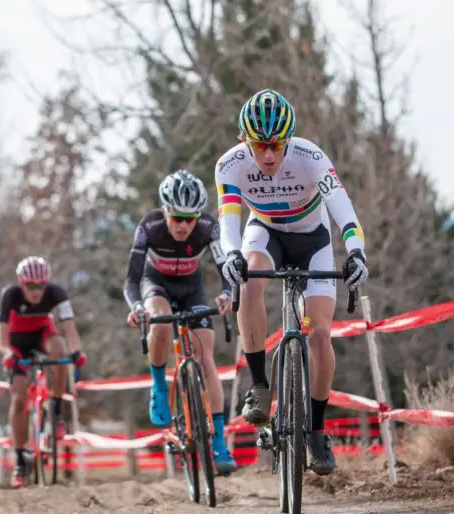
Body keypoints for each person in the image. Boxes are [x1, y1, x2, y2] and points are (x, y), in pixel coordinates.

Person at [215, 89, 369, 476]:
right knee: (249, 280)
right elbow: (228, 220)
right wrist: (232, 254)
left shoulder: (310, 157)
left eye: (276, 145)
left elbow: (343, 211)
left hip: (312, 239)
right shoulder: (229, 166)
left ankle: (317, 429)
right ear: (243, 141)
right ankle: (260, 386)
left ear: (289, 140)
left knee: (319, 333)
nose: (268, 155)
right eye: (259, 146)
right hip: (265, 234)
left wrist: (356, 251)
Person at [124, 169, 237, 474]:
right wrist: (136, 306)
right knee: (159, 321)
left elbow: (225, 268)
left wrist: (228, 293)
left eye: (190, 218)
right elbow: (132, 280)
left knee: (205, 358)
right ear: (165, 211)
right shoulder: (149, 226)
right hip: (155, 283)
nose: (184, 225)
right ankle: (159, 386)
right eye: (177, 218)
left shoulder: (208, 228)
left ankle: (219, 444)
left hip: (191, 287)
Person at [0, 256, 87, 488]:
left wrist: (76, 352)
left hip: (42, 335)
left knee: (60, 350)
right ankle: (19, 459)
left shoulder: (56, 293)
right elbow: (0, 335)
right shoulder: (10, 295)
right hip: (17, 343)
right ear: (21, 283)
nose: (36, 291)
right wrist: (7, 352)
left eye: (41, 285)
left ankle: (55, 409)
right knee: (19, 398)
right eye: (31, 286)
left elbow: (69, 328)